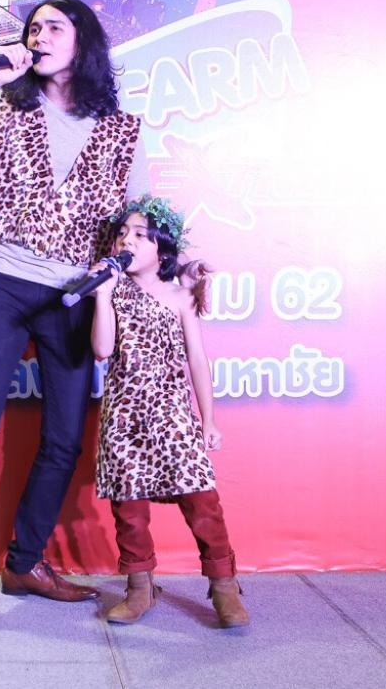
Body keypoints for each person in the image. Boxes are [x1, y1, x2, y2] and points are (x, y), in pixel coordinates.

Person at [0, 0, 150, 636]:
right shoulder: (7, 103)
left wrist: (131, 270)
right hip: (3, 278)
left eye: (54, 27)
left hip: (72, 292)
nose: (38, 36)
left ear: (83, 41)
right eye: (33, 28)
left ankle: (24, 562)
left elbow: (132, 220)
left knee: (64, 437)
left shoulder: (121, 129)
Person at [87, 195, 249, 628]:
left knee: (202, 503)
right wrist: (102, 296)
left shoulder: (180, 296)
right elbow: (102, 349)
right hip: (124, 415)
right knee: (129, 510)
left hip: (172, 412)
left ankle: (224, 586)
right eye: (123, 233)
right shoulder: (114, 292)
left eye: (141, 235)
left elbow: (197, 359)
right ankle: (140, 588)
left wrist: (208, 419)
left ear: (162, 248)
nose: (128, 240)